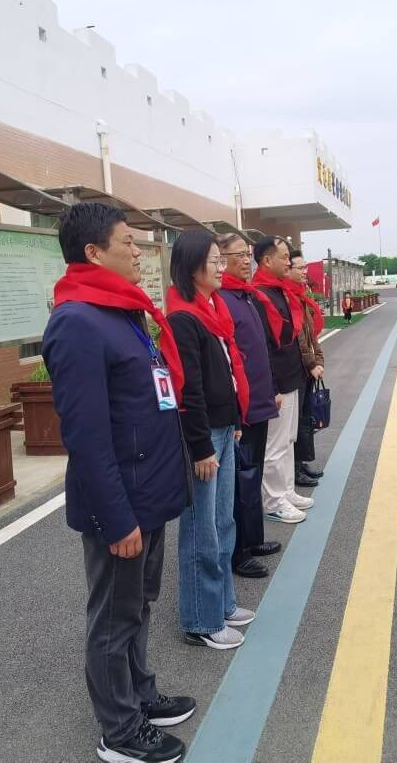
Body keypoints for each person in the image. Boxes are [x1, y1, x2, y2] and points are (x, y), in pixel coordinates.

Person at [42, 203, 193, 763]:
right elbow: (85, 436)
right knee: (112, 617)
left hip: (147, 490)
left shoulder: (120, 311)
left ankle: (140, 693)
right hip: (122, 503)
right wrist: (116, 518)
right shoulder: (77, 322)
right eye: (127, 242)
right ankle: (120, 730)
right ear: (93, 252)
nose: (138, 252)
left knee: (138, 605)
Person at [165, 230, 258, 651]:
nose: (223, 268)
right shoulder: (184, 318)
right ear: (191, 268)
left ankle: (222, 603)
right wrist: (201, 446)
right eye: (215, 261)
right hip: (204, 439)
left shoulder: (212, 309)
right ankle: (201, 620)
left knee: (223, 523)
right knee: (201, 530)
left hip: (223, 428)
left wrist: (235, 419)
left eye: (223, 260)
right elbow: (189, 391)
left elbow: (226, 375)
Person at [215, 233, 282, 580]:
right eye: (238, 255)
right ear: (220, 258)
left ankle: (253, 539)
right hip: (243, 407)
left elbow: (260, 351)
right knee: (240, 481)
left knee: (251, 475)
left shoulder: (246, 296)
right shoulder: (223, 300)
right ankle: (238, 552)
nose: (246, 261)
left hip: (259, 400)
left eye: (247, 254)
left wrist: (271, 390)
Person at [253, 236, 313, 523]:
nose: (289, 262)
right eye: (284, 257)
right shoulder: (259, 294)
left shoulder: (281, 290)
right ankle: (273, 501)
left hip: (292, 377)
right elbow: (263, 346)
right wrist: (272, 386)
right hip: (277, 381)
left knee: (288, 440)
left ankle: (286, 490)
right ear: (267, 260)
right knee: (275, 446)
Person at [288, 250, 327, 487]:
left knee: (304, 419)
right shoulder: (288, 298)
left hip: (307, 369)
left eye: (305, 267)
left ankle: (301, 464)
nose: (305, 272)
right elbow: (299, 338)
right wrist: (312, 364)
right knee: (295, 423)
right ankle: (294, 470)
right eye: (300, 268)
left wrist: (319, 360)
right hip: (298, 369)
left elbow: (312, 336)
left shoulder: (300, 296)